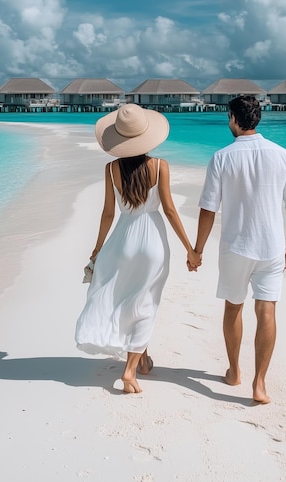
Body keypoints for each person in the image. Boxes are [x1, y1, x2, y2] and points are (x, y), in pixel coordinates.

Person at [75, 103, 200, 394]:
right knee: (146, 302)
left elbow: (108, 213)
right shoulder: (159, 166)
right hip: (153, 241)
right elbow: (169, 210)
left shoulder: (111, 169)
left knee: (126, 297)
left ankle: (141, 360)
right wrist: (190, 249)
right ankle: (130, 371)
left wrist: (97, 249)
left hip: (122, 239)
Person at [192, 96, 286, 404]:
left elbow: (208, 209)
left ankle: (234, 371)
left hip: (236, 247)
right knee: (266, 310)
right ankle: (260, 383)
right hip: (270, 247)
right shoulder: (281, 155)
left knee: (233, 307)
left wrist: (197, 249)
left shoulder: (222, 157)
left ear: (232, 118)